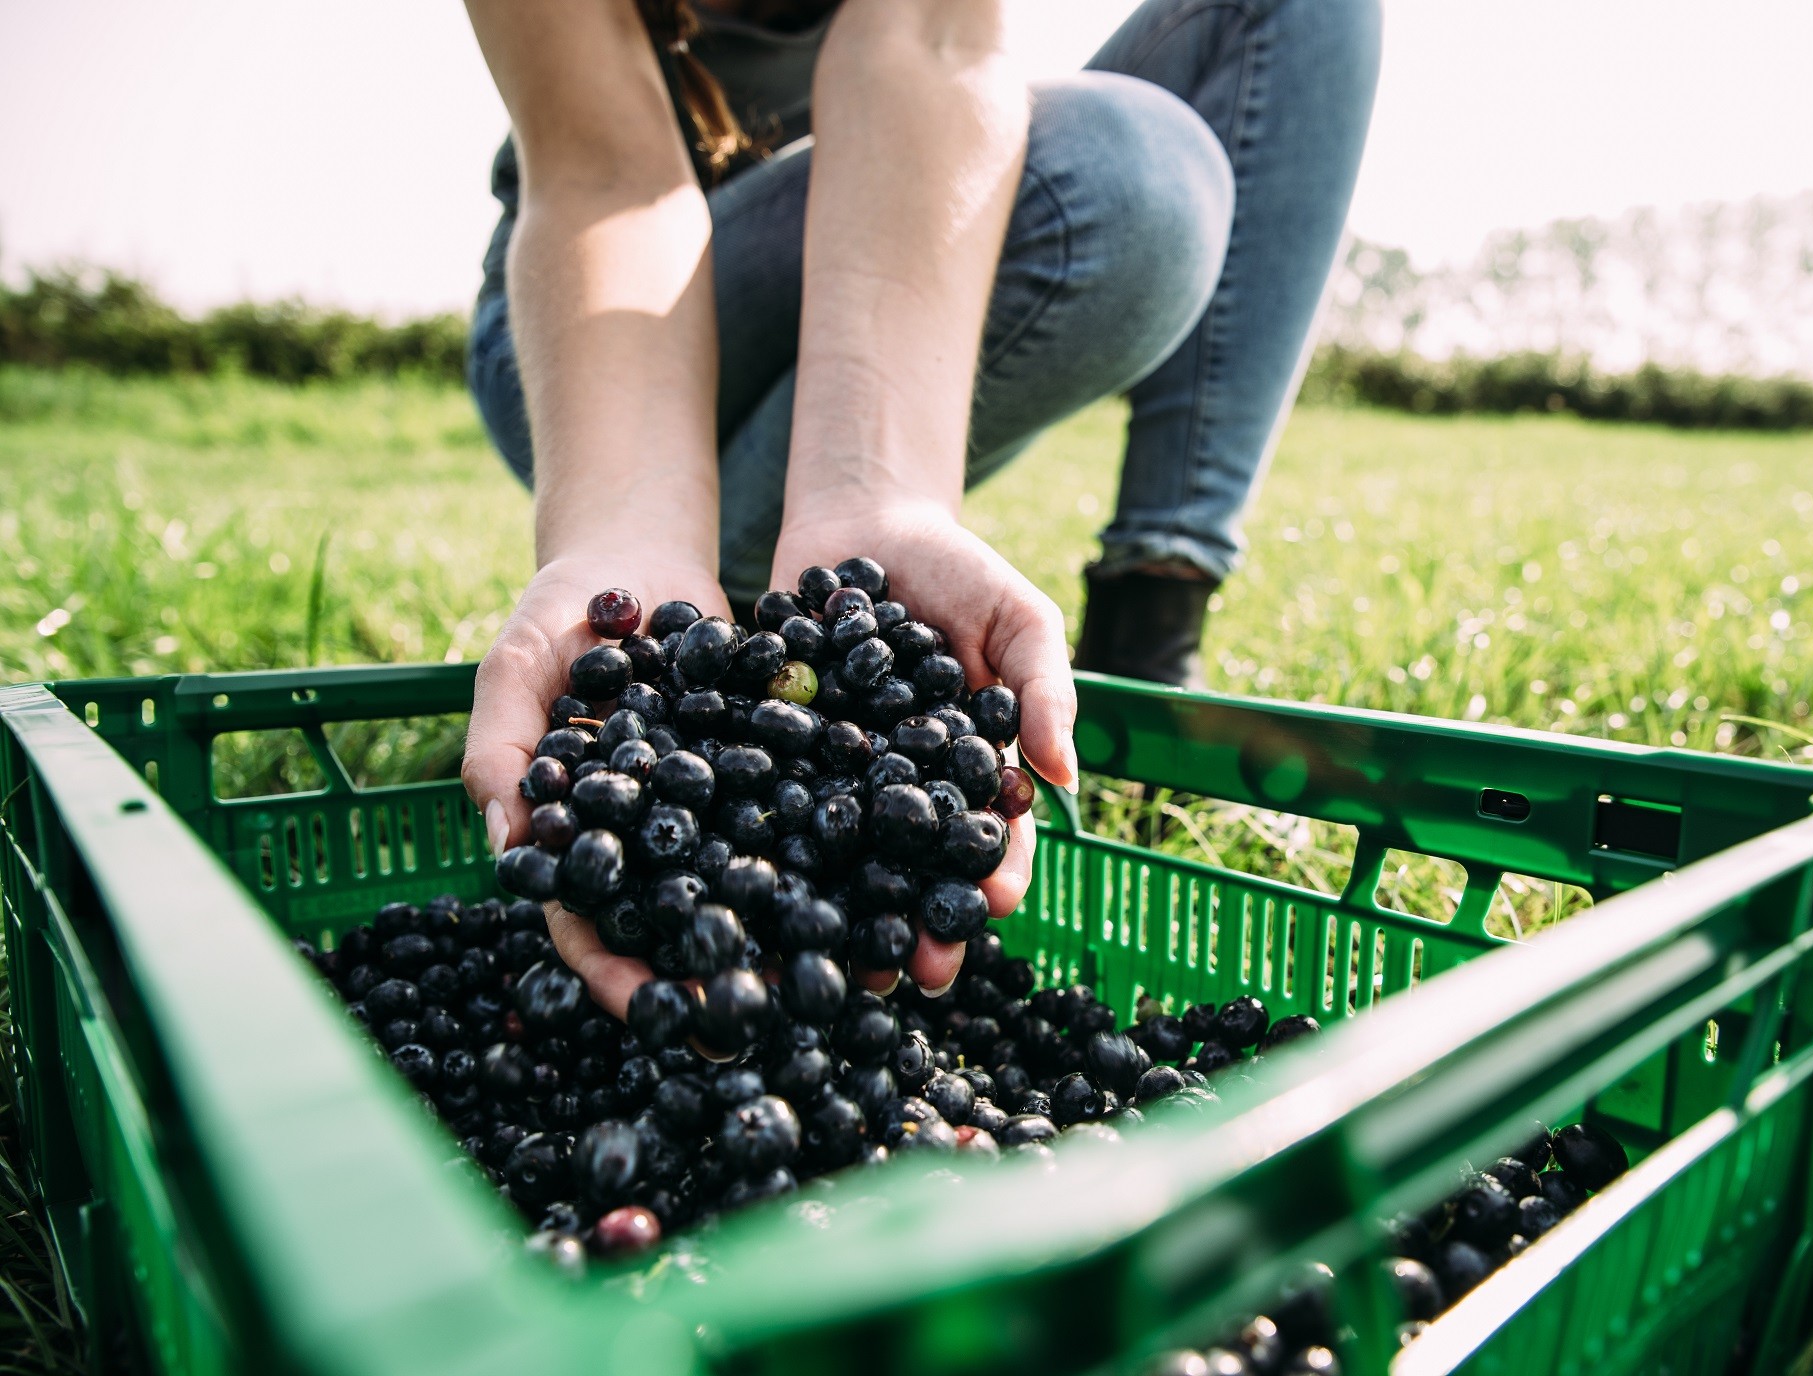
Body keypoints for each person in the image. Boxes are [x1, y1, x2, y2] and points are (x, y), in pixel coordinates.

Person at [459, 0, 1381, 1014]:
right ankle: (696, 540)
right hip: (601, 314)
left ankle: (1148, 629)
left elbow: (930, 41)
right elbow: (606, 175)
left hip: (862, 237)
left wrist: (877, 490)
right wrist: (621, 535)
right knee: (1121, 175)